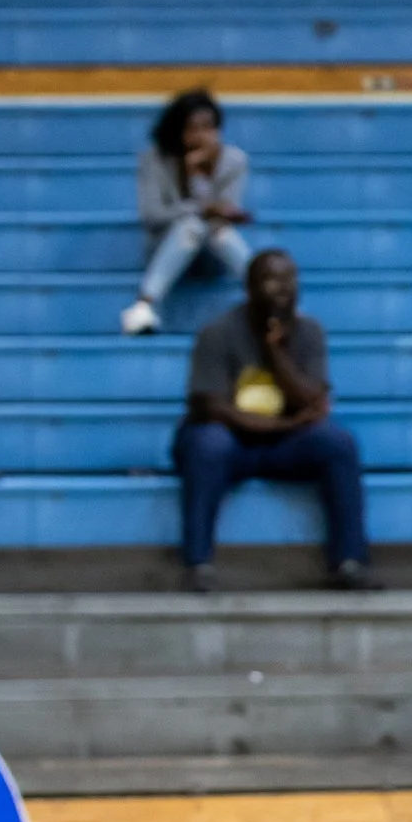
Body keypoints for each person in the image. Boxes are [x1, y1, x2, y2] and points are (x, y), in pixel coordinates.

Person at [174, 250, 372, 593]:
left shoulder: (309, 332)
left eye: (290, 279)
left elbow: (312, 401)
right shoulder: (217, 333)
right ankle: (198, 564)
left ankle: (349, 562)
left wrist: (276, 353)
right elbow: (214, 408)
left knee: (339, 444)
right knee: (208, 443)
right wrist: (290, 424)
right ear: (249, 287)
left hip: (283, 446)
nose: (283, 288)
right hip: (231, 442)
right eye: (271, 279)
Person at [124, 89, 252, 335]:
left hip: (214, 252)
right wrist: (197, 205)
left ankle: (262, 296)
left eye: (208, 127)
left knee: (217, 231)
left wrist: (202, 178)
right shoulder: (154, 160)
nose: (201, 136)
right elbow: (152, 216)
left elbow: (224, 213)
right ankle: (144, 305)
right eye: (193, 128)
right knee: (191, 226)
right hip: (166, 248)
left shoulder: (233, 162)